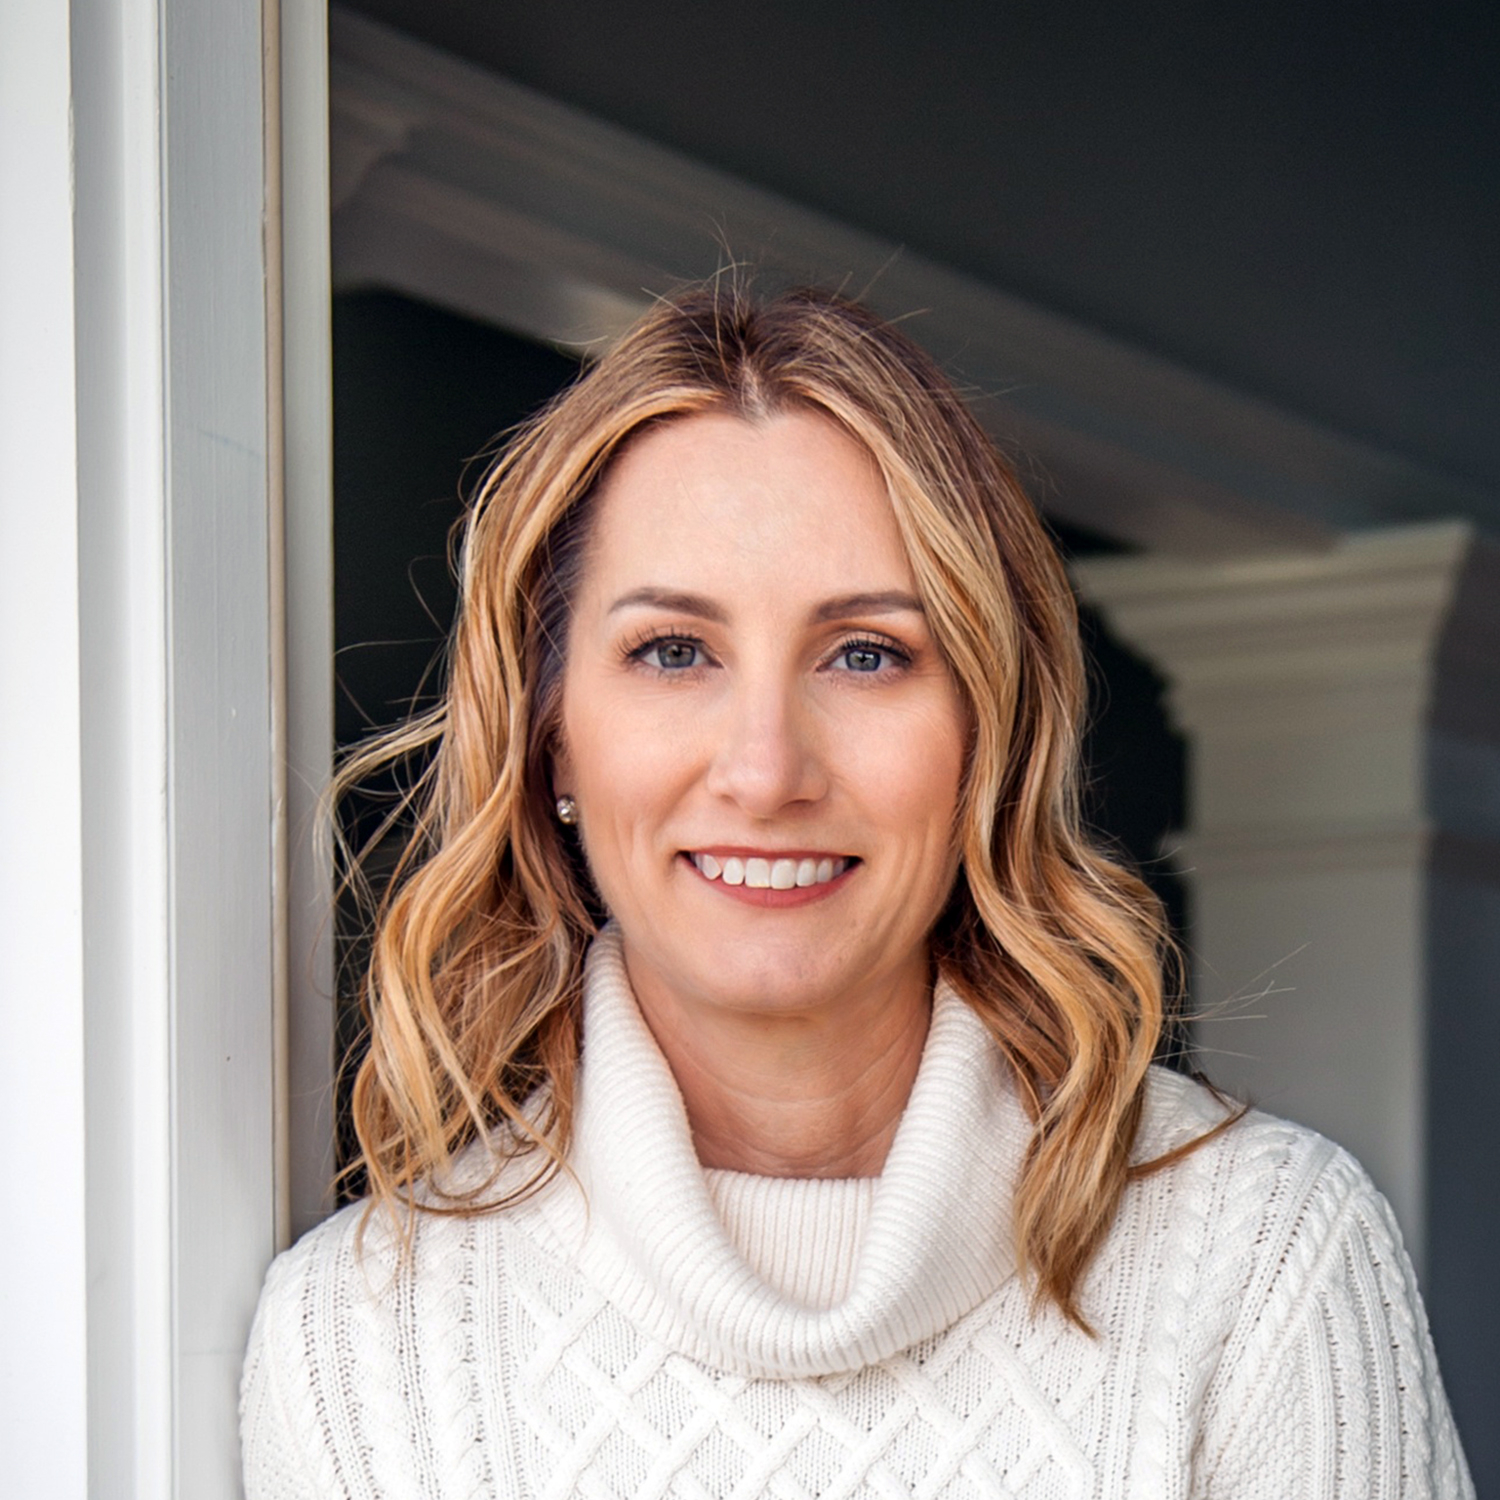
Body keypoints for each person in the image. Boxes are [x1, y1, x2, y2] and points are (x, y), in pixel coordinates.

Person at [241, 282, 1472, 1498]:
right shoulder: (368, 1346)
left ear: (987, 731)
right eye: (675, 651)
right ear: (553, 736)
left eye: (867, 654)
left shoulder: (1263, 1261)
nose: (766, 770)